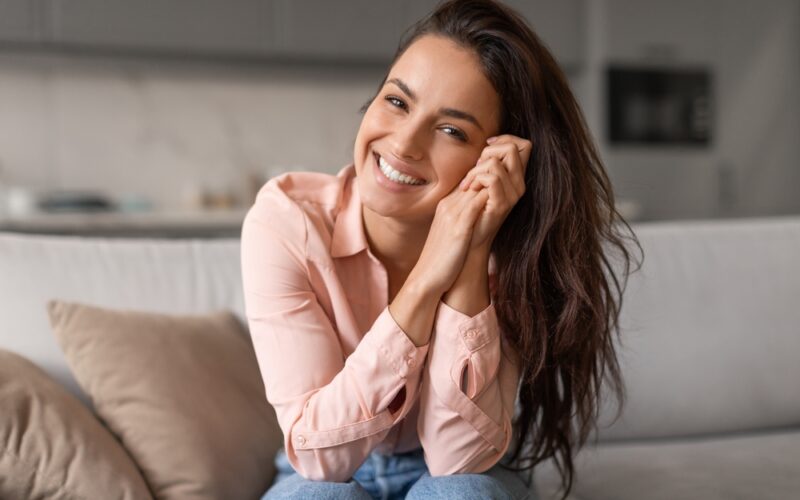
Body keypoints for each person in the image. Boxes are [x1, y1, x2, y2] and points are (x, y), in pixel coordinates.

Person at [241, 1, 643, 499]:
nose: (404, 144)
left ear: (493, 159)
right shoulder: (287, 220)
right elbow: (323, 459)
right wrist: (430, 274)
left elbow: (458, 461)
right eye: (396, 101)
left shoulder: (514, 251)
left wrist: (472, 252)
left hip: (471, 473)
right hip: (326, 465)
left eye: (452, 130)